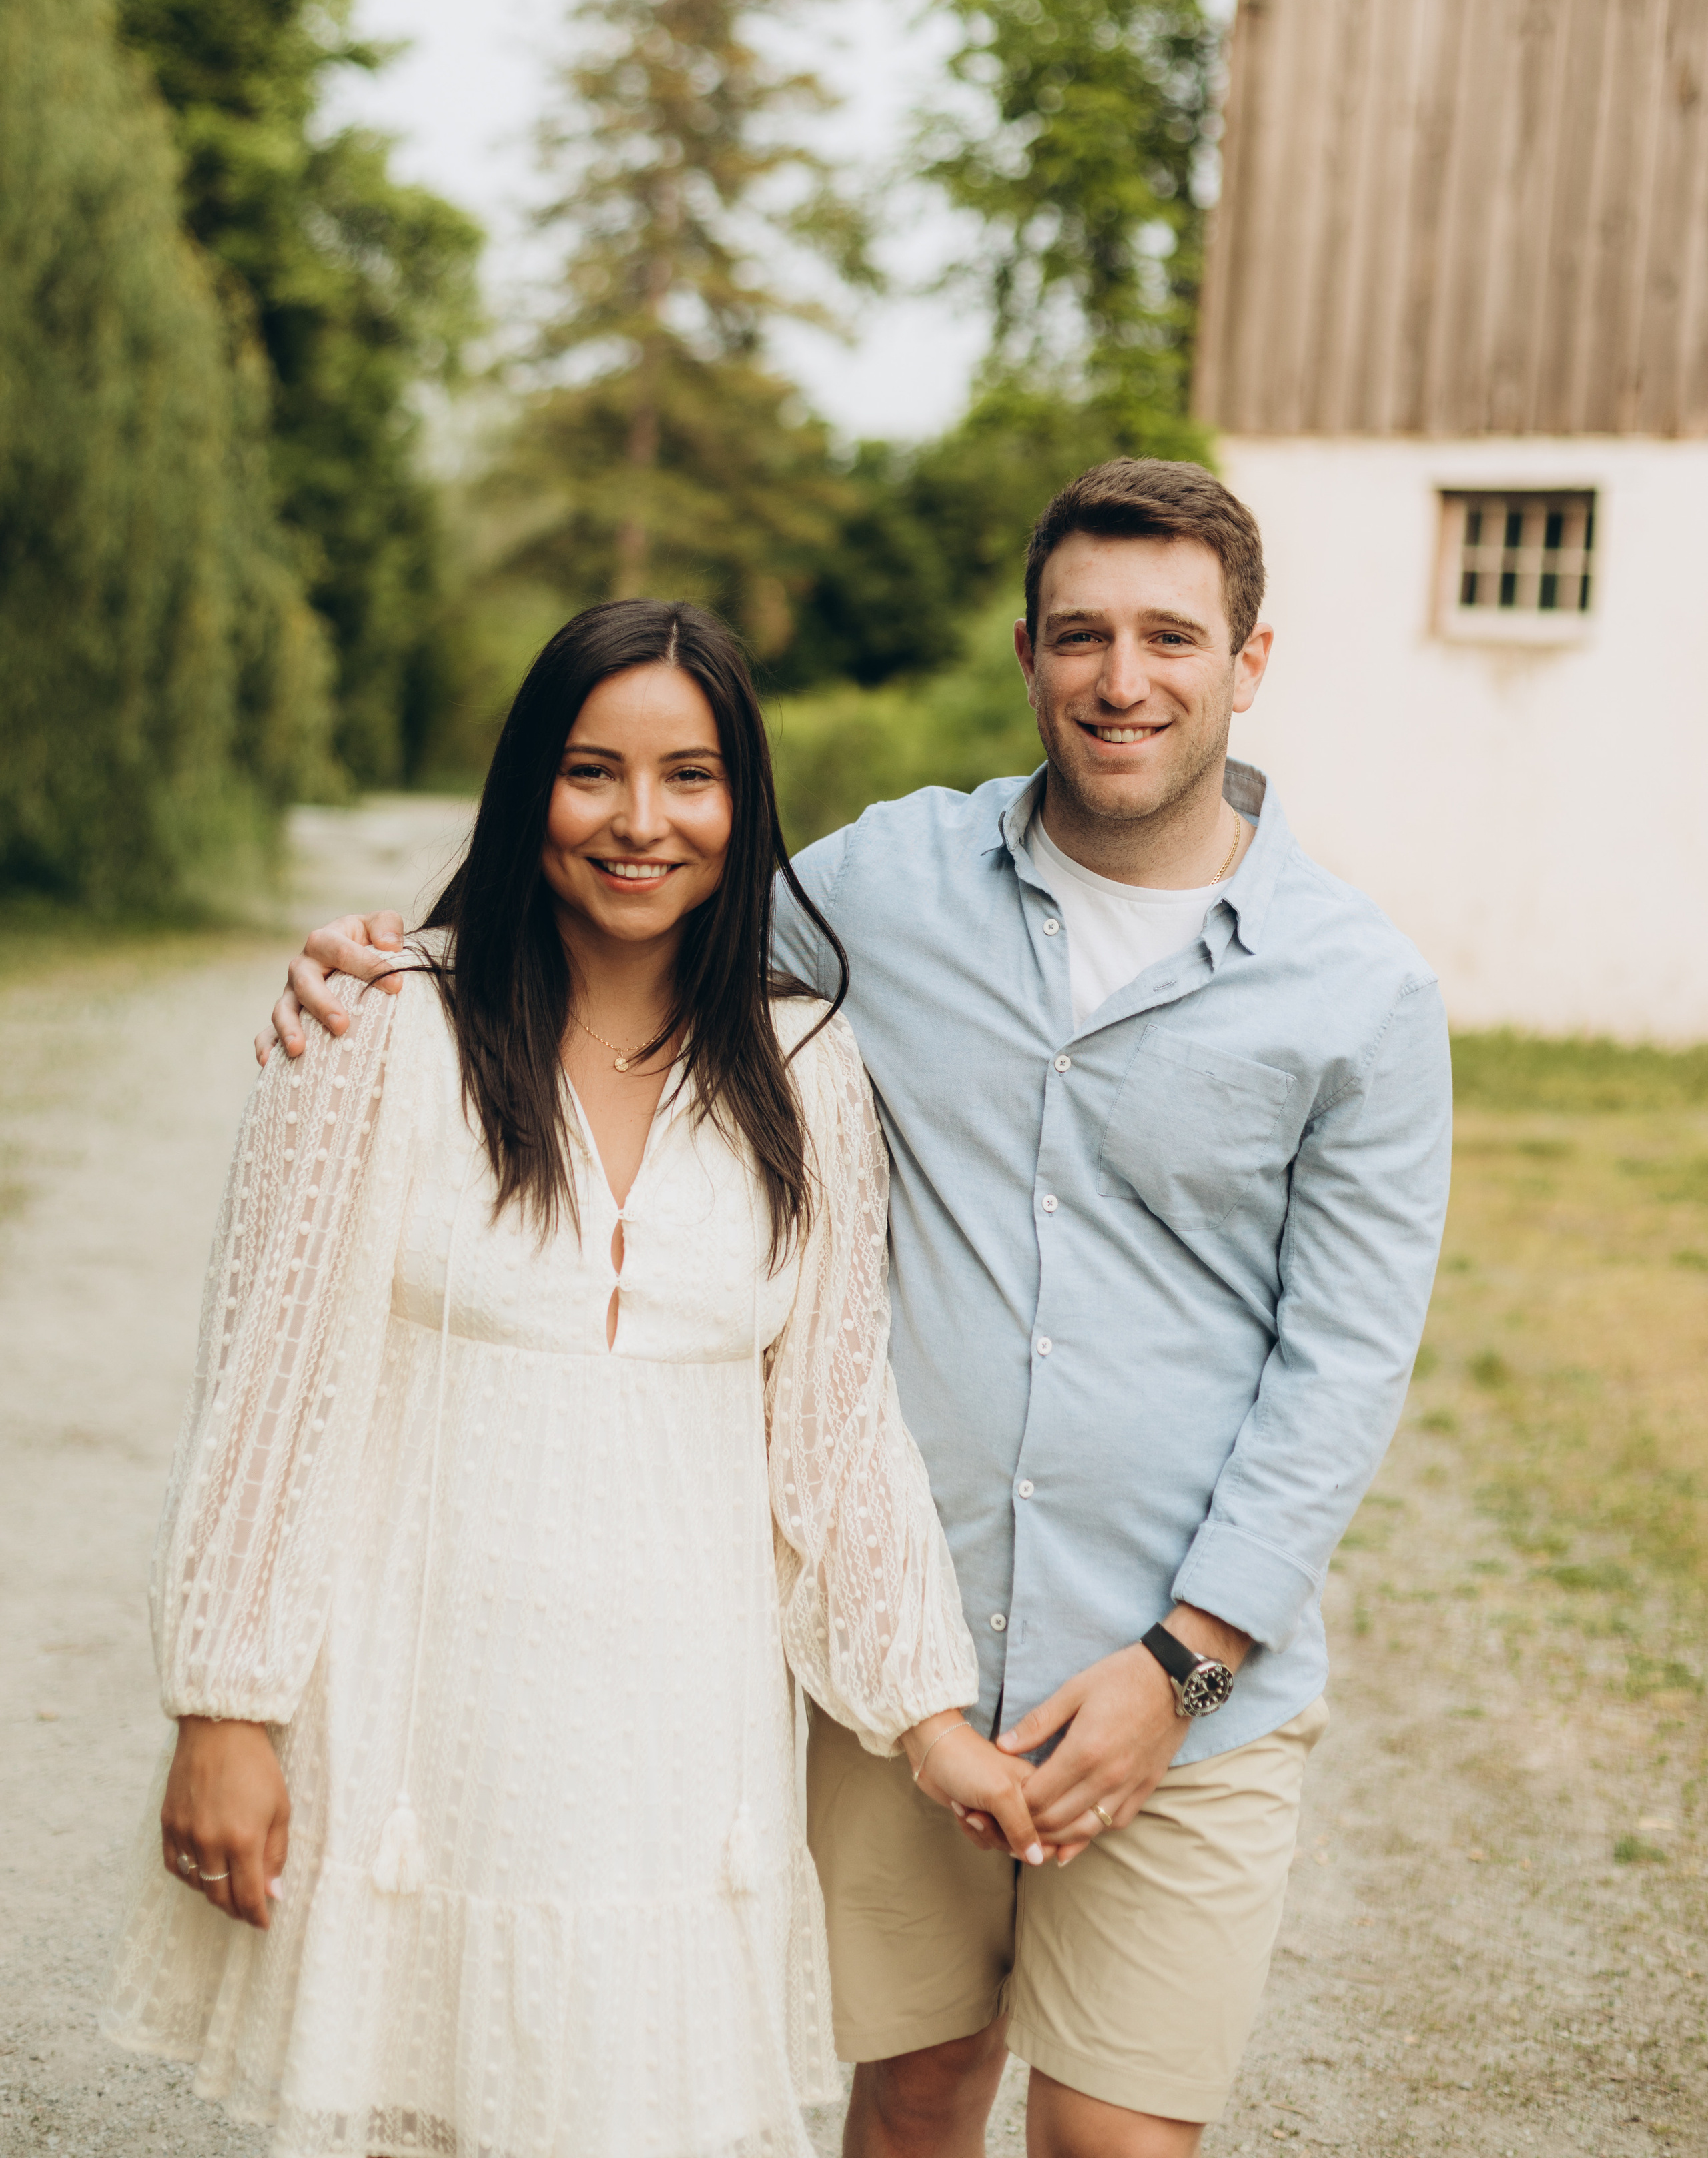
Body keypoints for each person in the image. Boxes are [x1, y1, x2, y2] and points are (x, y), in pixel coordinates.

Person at [256, 458, 1454, 2158]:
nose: (1124, 680)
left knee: (1115, 2137)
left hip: (1180, 1679)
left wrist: (1182, 1663)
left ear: (1249, 660)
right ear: (1027, 652)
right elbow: (648, 901)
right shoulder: (880, 883)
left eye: (1171, 639)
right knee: (906, 2100)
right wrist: (393, 962)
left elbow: (1345, 1362)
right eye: (1080, 636)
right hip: (894, 1654)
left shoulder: (1360, 991)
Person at [99, 598, 1055, 2158]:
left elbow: (835, 1428)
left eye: (688, 778)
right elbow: (267, 1382)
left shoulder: (804, 1068)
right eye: (589, 771)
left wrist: (924, 1713)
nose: (637, 822)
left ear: (741, 807)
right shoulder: (379, 1026)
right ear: (523, 785)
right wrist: (225, 1702)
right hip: (413, 1700)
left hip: (670, 1735)